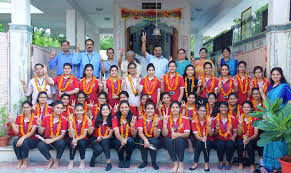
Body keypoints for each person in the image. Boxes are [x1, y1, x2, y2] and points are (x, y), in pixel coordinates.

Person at [261, 67, 291, 172]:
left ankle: (279, 166)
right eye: (273, 74)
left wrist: (283, 114)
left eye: (277, 74)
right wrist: (261, 92)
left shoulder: (285, 87)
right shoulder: (270, 87)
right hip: (270, 118)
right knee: (270, 141)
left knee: (279, 143)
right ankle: (270, 165)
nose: (275, 76)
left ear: (281, 75)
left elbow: (289, 102)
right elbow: (267, 102)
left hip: (280, 119)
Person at [37, 101, 67, 169]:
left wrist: (52, 140)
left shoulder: (64, 119)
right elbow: (41, 132)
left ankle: (57, 161)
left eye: (61, 108)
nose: (59, 110)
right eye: (57, 108)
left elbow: (62, 135)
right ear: (53, 108)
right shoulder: (46, 117)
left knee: (62, 143)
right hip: (47, 139)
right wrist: (39, 125)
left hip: (57, 140)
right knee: (40, 145)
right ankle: (50, 160)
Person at [162, 101, 190, 173]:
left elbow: (187, 134)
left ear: (180, 109)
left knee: (179, 140)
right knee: (167, 140)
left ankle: (181, 165)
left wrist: (177, 135)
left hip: (182, 141)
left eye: (177, 107)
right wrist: (164, 123)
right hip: (170, 141)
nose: (175, 109)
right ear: (170, 109)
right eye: (173, 107)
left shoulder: (185, 119)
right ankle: (175, 164)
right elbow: (165, 134)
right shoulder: (167, 118)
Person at [9, 101, 38, 168]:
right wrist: (12, 123)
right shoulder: (19, 117)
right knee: (15, 142)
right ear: (22, 109)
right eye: (24, 108)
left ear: (31, 108)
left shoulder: (35, 118)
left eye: (27, 107)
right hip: (22, 138)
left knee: (24, 141)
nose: (26, 109)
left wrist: (22, 138)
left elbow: (32, 132)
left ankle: (25, 162)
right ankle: (20, 161)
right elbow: (16, 132)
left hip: (32, 140)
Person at [137, 102, 162, 170]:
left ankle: (154, 162)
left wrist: (156, 125)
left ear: (154, 110)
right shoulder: (141, 119)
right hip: (144, 137)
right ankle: (144, 162)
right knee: (141, 141)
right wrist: (145, 140)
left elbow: (156, 135)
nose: (149, 110)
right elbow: (140, 133)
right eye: (148, 108)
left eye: (151, 109)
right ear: (144, 110)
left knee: (154, 141)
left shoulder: (157, 119)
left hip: (154, 138)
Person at [112, 101, 137, 168]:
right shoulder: (116, 118)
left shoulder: (133, 118)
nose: (124, 109)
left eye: (126, 107)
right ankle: (121, 159)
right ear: (119, 109)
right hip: (119, 138)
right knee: (117, 142)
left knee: (130, 140)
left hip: (129, 139)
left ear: (129, 108)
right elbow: (116, 133)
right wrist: (122, 140)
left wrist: (132, 126)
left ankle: (128, 158)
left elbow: (134, 135)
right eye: (122, 107)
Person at [190, 104, 215, 171]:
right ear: (197, 111)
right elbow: (196, 135)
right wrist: (202, 139)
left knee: (206, 143)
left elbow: (211, 134)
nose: (202, 112)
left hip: (209, 139)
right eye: (200, 110)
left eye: (204, 111)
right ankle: (195, 163)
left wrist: (209, 125)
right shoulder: (194, 121)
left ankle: (206, 163)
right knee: (198, 143)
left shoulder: (210, 120)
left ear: (206, 112)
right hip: (198, 138)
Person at [88, 104, 113, 171]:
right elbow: (90, 133)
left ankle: (108, 163)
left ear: (110, 111)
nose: (105, 111)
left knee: (105, 141)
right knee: (99, 149)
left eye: (107, 109)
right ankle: (93, 158)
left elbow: (110, 135)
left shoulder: (112, 121)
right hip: (95, 138)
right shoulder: (96, 119)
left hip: (106, 139)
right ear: (100, 111)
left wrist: (101, 137)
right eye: (103, 109)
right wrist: (90, 126)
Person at [214, 102, 238, 170]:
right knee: (219, 144)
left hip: (229, 138)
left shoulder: (233, 118)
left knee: (230, 144)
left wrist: (233, 137)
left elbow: (235, 132)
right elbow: (214, 134)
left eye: (225, 107)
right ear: (219, 108)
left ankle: (228, 161)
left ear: (228, 108)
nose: (223, 109)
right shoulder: (215, 119)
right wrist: (217, 129)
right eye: (221, 107)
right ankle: (220, 161)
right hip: (219, 138)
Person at [237, 101, 258, 172]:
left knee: (249, 144)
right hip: (242, 138)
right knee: (239, 143)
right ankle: (240, 163)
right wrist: (240, 124)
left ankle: (252, 164)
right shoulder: (240, 117)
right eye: (244, 107)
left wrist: (248, 139)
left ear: (251, 108)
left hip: (252, 138)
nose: (246, 108)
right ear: (242, 108)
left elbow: (255, 134)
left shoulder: (255, 118)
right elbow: (239, 134)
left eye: (248, 107)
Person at [67, 103, 89, 169]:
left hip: (83, 138)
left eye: (81, 110)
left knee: (81, 142)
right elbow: (70, 135)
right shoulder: (71, 119)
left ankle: (82, 161)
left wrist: (76, 139)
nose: (79, 112)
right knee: (71, 142)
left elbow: (84, 134)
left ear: (84, 111)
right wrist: (70, 123)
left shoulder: (86, 119)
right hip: (73, 137)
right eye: (77, 110)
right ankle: (71, 161)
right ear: (74, 111)